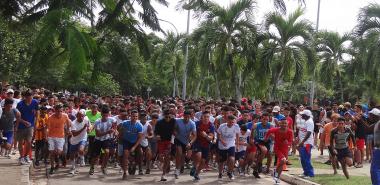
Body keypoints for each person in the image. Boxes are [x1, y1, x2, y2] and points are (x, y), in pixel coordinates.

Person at [264, 118, 293, 184]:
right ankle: (276, 174)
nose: (284, 124)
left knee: (283, 163)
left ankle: (277, 177)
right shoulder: (276, 129)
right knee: (283, 160)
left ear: (287, 124)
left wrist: (287, 143)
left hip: (285, 149)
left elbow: (290, 141)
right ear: (280, 124)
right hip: (277, 148)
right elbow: (268, 131)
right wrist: (266, 138)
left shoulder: (290, 131)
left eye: (285, 123)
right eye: (282, 123)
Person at [89, 106, 116, 175]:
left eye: (106, 115)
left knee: (107, 152)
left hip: (106, 139)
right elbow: (98, 134)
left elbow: (115, 124)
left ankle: (104, 167)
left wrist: (114, 130)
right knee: (95, 156)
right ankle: (92, 167)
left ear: (108, 114)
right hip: (98, 140)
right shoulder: (97, 121)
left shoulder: (111, 119)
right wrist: (108, 132)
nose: (105, 117)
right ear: (101, 114)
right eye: (104, 115)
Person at [46, 104, 71, 174]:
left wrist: (68, 130)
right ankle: (52, 167)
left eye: (61, 111)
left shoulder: (65, 116)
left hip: (60, 137)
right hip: (51, 136)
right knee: (51, 152)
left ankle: (59, 159)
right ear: (55, 111)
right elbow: (47, 127)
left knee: (59, 152)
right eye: (58, 111)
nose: (59, 113)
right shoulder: (50, 117)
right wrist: (46, 136)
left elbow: (68, 123)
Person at [16, 89, 39, 165]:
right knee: (20, 142)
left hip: (30, 126)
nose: (29, 99)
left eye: (31, 97)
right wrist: (24, 122)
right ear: (25, 97)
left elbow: (37, 113)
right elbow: (17, 117)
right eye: (28, 97)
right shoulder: (20, 104)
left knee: (29, 142)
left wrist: (35, 123)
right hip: (21, 126)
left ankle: (25, 156)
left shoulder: (35, 102)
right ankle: (21, 157)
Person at [191, 111, 215, 181]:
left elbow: (211, 137)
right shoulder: (196, 124)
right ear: (202, 117)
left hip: (206, 144)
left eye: (207, 117)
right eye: (204, 117)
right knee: (198, 156)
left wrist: (206, 135)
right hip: (197, 142)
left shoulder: (211, 125)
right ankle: (194, 167)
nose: (206, 118)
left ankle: (197, 174)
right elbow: (192, 134)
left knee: (203, 161)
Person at [120, 110, 143, 180]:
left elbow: (140, 138)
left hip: (135, 142)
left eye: (136, 116)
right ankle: (124, 172)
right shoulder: (124, 123)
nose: (135, 117)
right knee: (125, 154)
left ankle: (137, 166)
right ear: (130, 116)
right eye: (133, 116)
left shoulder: (139, 125)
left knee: (140, 153)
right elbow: (120, 132)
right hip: (126, 141)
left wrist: (134, 147)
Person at [173, 110, 196, 179]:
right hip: (178, 139)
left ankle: (182, 165)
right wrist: (175, 133)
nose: (186, 118)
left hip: (187, 141)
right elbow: (173, 129)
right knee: (179, 153)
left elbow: (195, 136)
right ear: (183, 116)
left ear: (190, 117)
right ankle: (177, 170)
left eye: (188, 117)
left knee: (186, 156)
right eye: (185, 117)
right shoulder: (178, 121)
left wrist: (190, 143)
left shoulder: (192, 124)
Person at [217, 115, 240, 180]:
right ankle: (220, 173)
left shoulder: (236, 126)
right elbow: (218, 135)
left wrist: (237, 145)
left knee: (232, 159)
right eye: (230, 122)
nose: (231, 124)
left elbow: (237, 135)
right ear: (227, 121)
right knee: (222, 161)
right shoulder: (222, 126)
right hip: (222, 145)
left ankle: (230, 172)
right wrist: (222, 141)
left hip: (231, 144)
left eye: (233, 122)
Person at [154, 110, 175, 181]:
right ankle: (161, 162)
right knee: (161, 157)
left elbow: (176, 128)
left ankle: (163, 174)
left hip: (169, 141)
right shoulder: (159, 122)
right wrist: (157, 136)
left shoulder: (173, 121)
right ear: (163, 116)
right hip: (161, 142)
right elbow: (156, 132)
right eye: (166, 117)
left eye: (169, 117)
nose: (168, 118)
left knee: (167, 156)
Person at [69, 109, 89, 175]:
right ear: (76, 116)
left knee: (81, 150)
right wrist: (83, 128)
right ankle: (73, 168)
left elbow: (90, 126)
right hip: (74, 140)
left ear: (84, 116)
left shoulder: (86, 119)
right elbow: (74, 134)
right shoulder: (73, 123)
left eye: (82, 116)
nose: (81, 117)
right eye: (79, 116)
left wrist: (89, 129)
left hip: (83, 138)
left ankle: (82, 158)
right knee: (72, 155)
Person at [297, 109, 315, 178]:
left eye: (303, 115)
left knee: (306, 158)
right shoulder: (306, 121)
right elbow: (302, 131)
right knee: (303, 158)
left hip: (307, 143)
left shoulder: (309, 122)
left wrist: (302, 142)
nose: (301, 115)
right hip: (303, 143)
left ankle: (310, 174)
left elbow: (309, 133)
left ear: (306, 115)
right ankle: (305, 172)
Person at [365, 108, 380, 185]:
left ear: (375, 116)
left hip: (378, 150)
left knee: (374, 170)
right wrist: (361, 120)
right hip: (377, 150)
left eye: (371, 115)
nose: (369, 116)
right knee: (376, 170)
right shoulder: (376, 123)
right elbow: (368, 129)